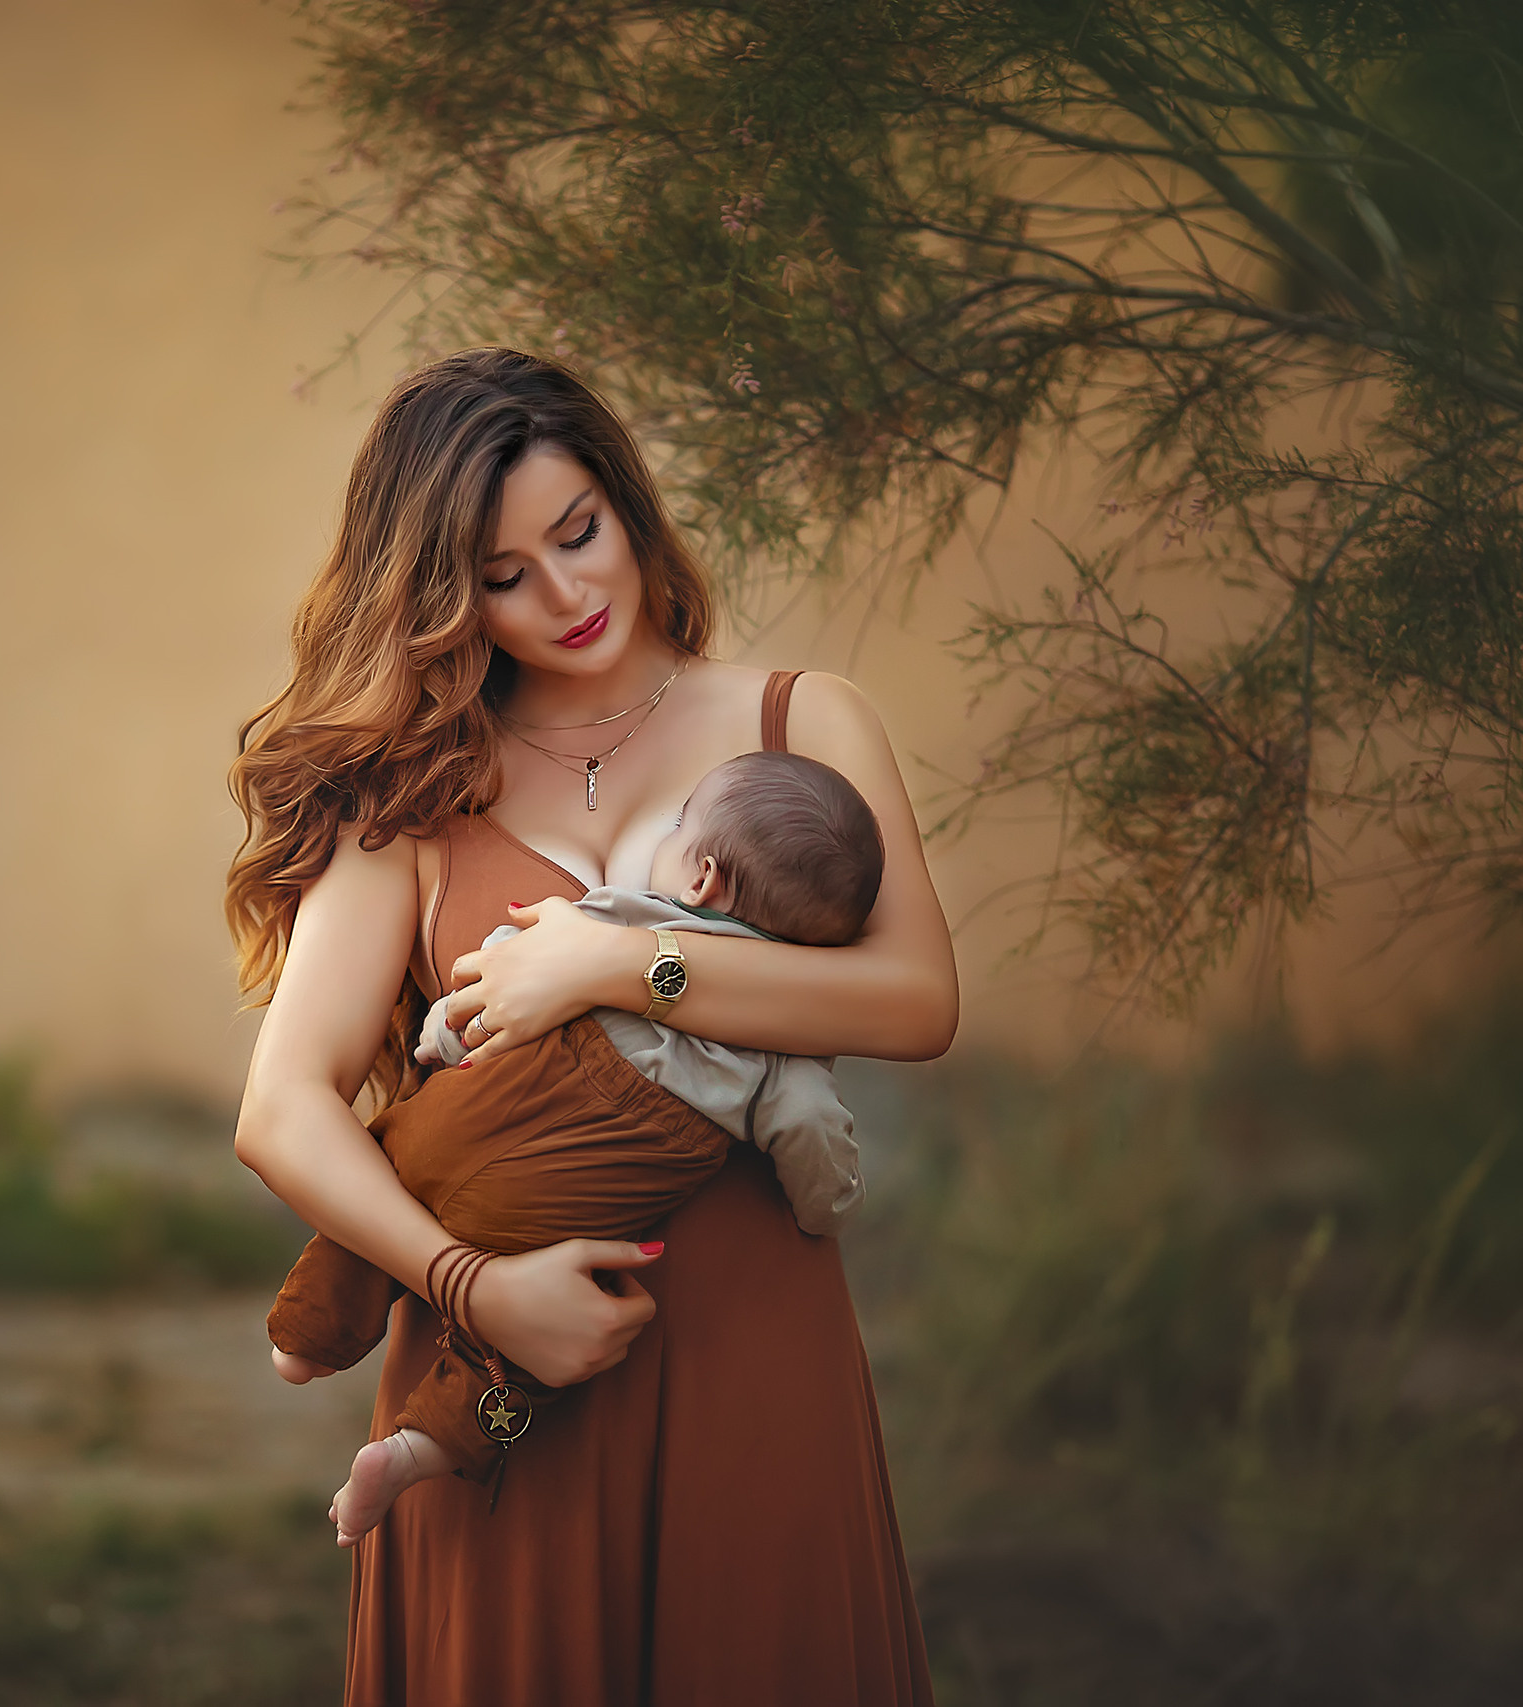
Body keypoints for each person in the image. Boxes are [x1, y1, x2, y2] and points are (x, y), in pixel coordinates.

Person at [227, 348, 958, 1705]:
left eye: (580, 533)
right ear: (443, 595)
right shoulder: (417, 793)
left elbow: (915, 1000)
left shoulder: (801, 723)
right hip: (499, 1379)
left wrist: (628, 968)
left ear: (627, 504)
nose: (567, 596)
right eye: (505, 575)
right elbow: (283, 1107)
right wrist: (471, 1287)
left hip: (759, 1366)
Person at [265, 747, 888, 1548]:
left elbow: (499, 964)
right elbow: (811, 1136)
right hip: (558, 1205)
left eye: (677, 829)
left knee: (386, 1174)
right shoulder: (778, 1045)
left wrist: (442, 1038)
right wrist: (827, 1206)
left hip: (468, 1113)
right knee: (520, 1360)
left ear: (700, 879)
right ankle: (413, 1452)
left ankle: (303, 1336)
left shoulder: (616, 915)